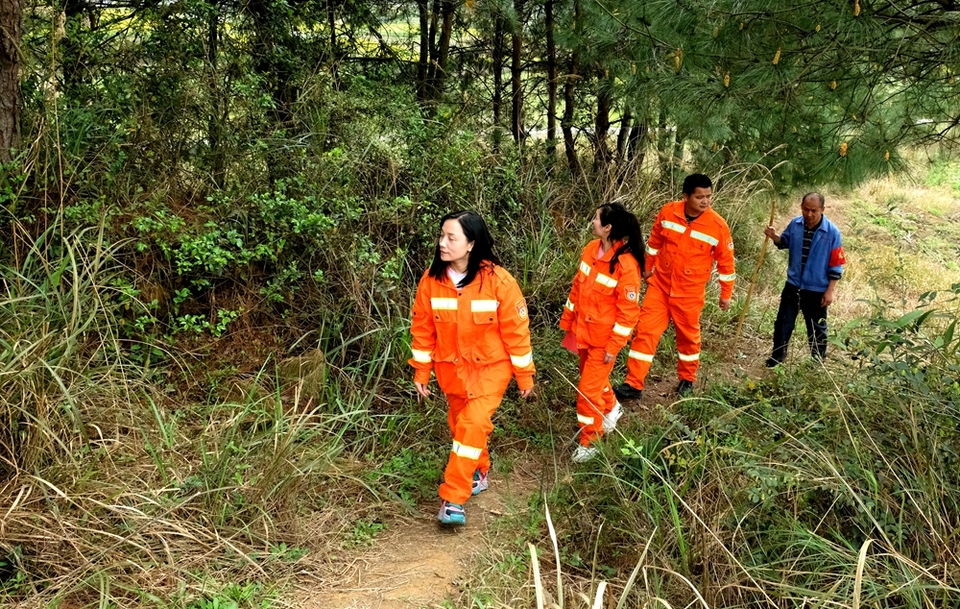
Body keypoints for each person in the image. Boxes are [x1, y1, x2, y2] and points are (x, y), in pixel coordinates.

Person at [409, 211, 535, 525]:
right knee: (460, 426)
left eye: (451, 237)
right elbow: (422, 331)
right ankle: (479, 472)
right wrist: (422, 373)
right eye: (441, 235)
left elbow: (516, 333)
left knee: (472, 425)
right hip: (450, 371)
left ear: (471, 244)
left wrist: (524, 376)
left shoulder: (499, 281)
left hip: (491, 369)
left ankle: (453, 498)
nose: (442, 243)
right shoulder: (431, 281)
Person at [614, 174, 736, 401]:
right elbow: (654, 243)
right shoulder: (669, 212)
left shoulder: (717, 226)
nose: (705, 201)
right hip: (659, 286)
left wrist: (725, 293)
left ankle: (687, 379)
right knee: (645, 333)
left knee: (688, 337)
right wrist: (647, 268)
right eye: (699, 196)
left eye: (709, 196)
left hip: (689, 294)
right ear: (686, 196)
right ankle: (633, 383)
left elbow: (726, 263)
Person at [559, 202, 644, 462]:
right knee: (591, 379)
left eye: (596, 218)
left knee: (586, 391)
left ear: (607, 228)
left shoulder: (626, 266)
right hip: (583, 333)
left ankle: (591, 441)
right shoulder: (589, 250)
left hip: (603, 342)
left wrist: (613, 347)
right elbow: (577, 288)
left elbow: (629, 314)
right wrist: (568, 322)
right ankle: (611, 408)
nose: (592, 221)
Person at [763, 192, 845, 366]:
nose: (809, 214)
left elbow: (836, 265)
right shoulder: (795, 224)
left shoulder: (832, 233)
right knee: (783, 323)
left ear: (822, 209)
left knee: (817, 328)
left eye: (814, 210)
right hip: (793, 286)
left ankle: (817, 361)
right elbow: (784, 242)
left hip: (816, 290)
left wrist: (829, 291)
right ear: (801, 207)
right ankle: (777, 357)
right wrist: (774, 236)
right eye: (806, 209)